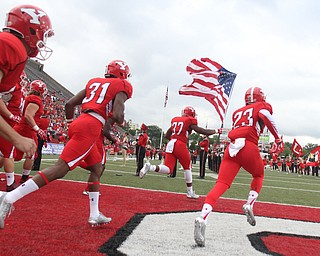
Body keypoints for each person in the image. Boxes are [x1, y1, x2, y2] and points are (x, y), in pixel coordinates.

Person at [0, 59, 133, 229]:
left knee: (96, 168)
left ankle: (94, 214)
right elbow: (118, 114)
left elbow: (70, 104)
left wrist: (71, 123)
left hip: (81, 121)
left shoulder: (94, 82)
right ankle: (8, 198)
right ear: (123, 74)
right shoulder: (123, 85)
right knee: (60, 169)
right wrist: (119, 120)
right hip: (91, 126)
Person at [194, 87, 283, 247]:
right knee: (258, 175)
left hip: (232, 147)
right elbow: (266, 116)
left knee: (221, 184)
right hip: (248, 146)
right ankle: (249, 203)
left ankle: (202, 217)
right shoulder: (262, 106)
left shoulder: (237, 112)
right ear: (261, 97)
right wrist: (277, 138)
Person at [0, 4, 54, 157]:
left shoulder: (11, 45)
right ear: (32, 30)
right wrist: (16, 138)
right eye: (44, 34)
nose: (43, 40)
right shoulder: (11, 46)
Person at [139, 106, 221, 199]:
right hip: (180, 144)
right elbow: (201, 130)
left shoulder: (176, 121)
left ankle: (150, 167)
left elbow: (167, 135)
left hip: (171, 143)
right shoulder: (189, 121)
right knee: (188, 167)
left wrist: (174, 140)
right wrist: (216, 131)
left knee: (168, 169)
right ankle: (190, 191)